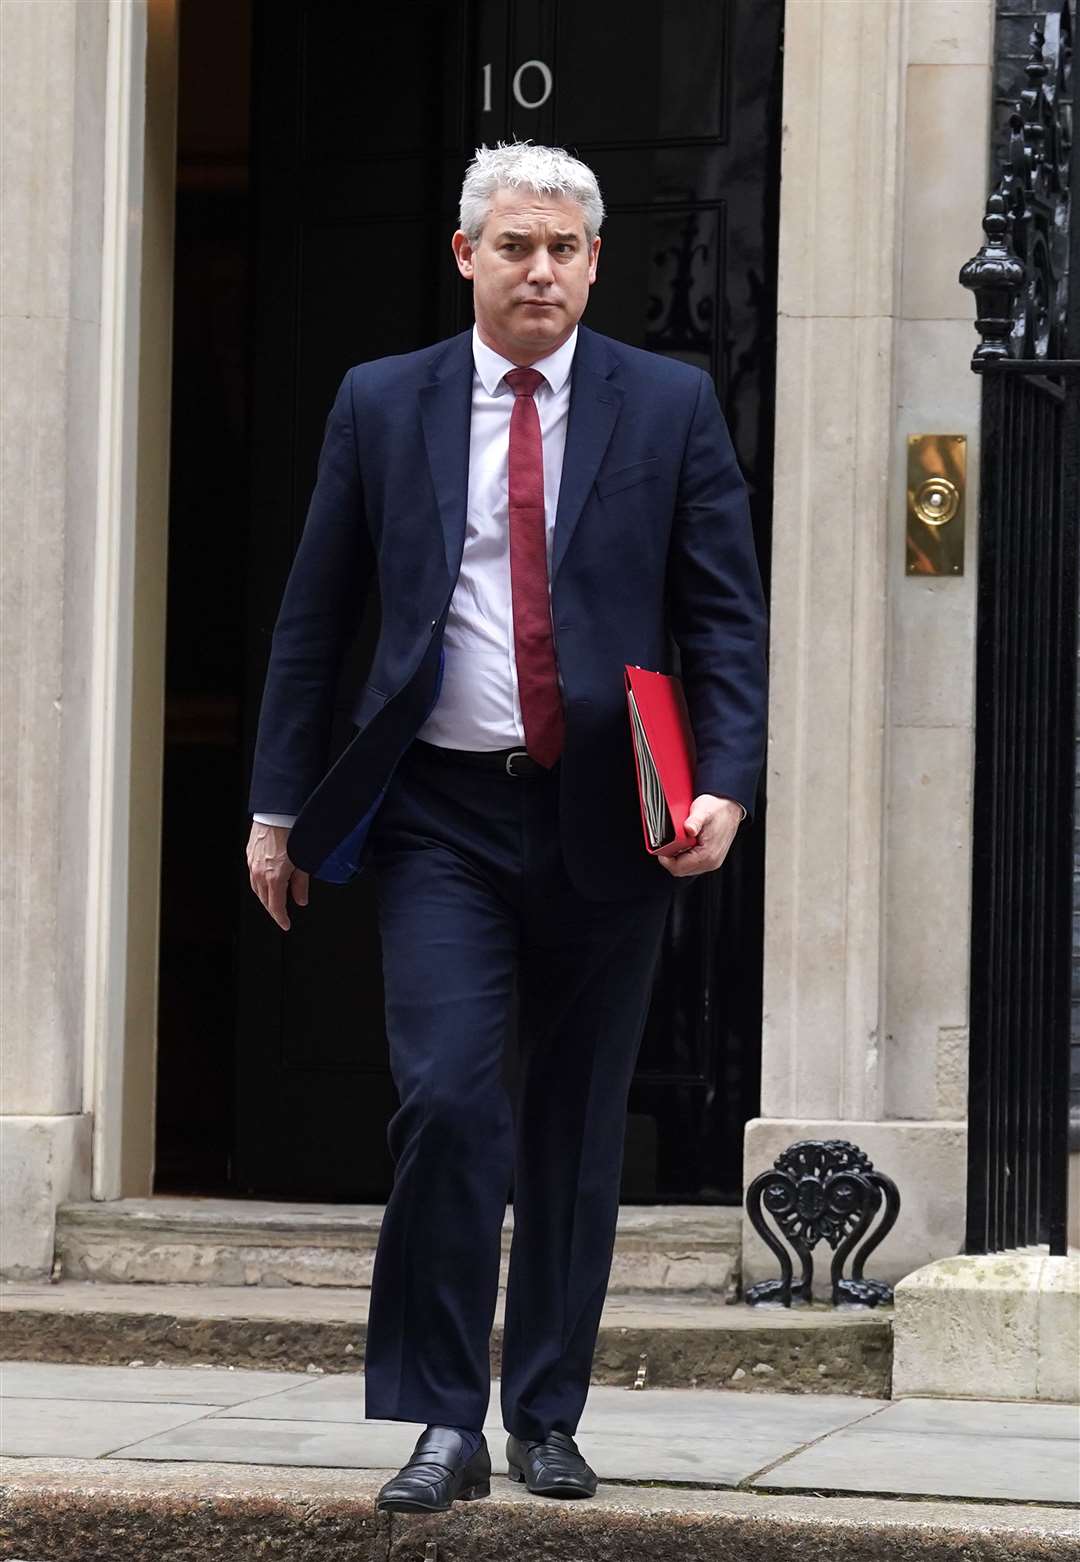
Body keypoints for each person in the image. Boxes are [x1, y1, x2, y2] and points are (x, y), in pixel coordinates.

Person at [246, 141, 768, 1514]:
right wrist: (276, 805)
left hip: (613, 819)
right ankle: (438, 1419)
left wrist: (727, 780)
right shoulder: (381, 403)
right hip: (439, 816)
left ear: (595, 262)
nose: (541, 269)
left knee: (575, 1128)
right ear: (467, 254)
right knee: (448, 1101)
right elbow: (315, 619)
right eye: (516, 245)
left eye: (565, 249)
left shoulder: (669, 406)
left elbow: (722, 614)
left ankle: (544, 1411)